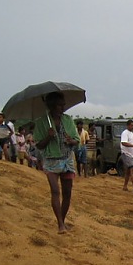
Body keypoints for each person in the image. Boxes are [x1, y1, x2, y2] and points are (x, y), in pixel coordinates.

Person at [33, 91, 79, 233]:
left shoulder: (68, 120)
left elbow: (76, 140)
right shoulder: (42, 122)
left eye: (63, 105)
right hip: (51, 161)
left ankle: (62, 220)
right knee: (55, 191)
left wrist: (70, 140)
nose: (62, 108)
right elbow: (39, 145)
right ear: (52, 106)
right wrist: (48, 136)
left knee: (67, 193)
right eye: (59, 105)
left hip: (67, 160)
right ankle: (60, 224)